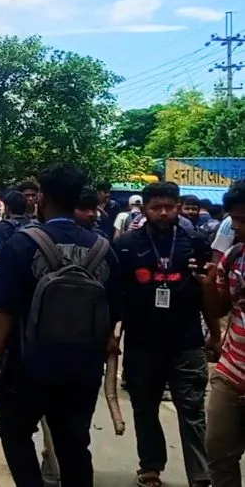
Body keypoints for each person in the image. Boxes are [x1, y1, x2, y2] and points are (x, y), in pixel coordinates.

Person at [0, 163, 123, 487]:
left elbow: (4, 310)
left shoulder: (24, 244)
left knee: (14, 431)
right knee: (74, 443)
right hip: (83, 370)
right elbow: (114, 310)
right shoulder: (104, 250)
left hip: (27, 366)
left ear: (41, 199)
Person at [114, 182, 214, 487]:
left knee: (192, 410)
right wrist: (111, 336)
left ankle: (200, 475)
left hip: (186, 341)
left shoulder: (194, 243)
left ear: (178, 207)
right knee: (145, 408)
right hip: (141, 342)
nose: (163, 213)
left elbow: (206, 291)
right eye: (156, 207)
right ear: (144, 208)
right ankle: (151, 466)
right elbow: (115, 295)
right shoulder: (127, 245)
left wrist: (216, 334)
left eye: (169, 207)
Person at [199, 180, 245, 487]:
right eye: (237, 220)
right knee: (218, 451)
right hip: (231, 373)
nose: (240, 227)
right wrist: (208, 286)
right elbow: (219, 309)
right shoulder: (235, 256)